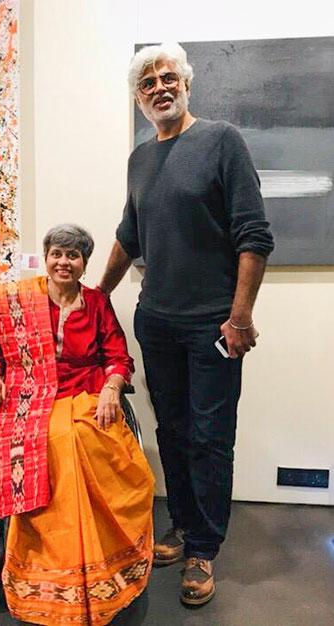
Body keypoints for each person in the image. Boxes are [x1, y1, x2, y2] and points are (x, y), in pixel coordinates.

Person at [99, 43, 275, 606]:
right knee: (172, 431)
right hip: (158, 321)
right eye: (147, 82)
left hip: (213, 327)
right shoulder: (140, 158)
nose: (158, 87)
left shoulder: (222, 142)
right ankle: (181, 524)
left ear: (187, 84)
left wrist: (239, 316)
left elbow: (254, 234)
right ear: (138, 98)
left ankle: (203, 547)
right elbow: (130, 234)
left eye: (167, 77)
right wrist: (96, 296)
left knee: (210, 437)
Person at [0, 224, 154, 625]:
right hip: (30, 393)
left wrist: (113, 387)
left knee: (87, 438)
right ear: (47, 257)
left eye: (73, 256)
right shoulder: (23, 299)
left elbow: (118, 356)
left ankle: (104, 556)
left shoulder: (95, 303)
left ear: (84, 263)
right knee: (57, 438)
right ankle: (45, 556)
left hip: (86, 392)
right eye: (57, 253)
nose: (64, 262)